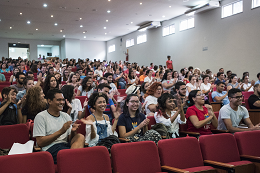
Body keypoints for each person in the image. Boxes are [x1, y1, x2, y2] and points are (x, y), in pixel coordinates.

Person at [33, 89, 85, 164]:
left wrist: (73, 132)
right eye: (58, 100)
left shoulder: (65, 116)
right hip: (50, 149)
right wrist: (61, 131)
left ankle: (72, 161)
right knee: (78, 156)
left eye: (63, 100)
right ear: (49, 101)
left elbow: (69, 139)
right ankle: (74, 162)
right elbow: (40, 142)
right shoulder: (41, 117)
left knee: (80, 136)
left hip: (65, 146)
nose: (62, 102)